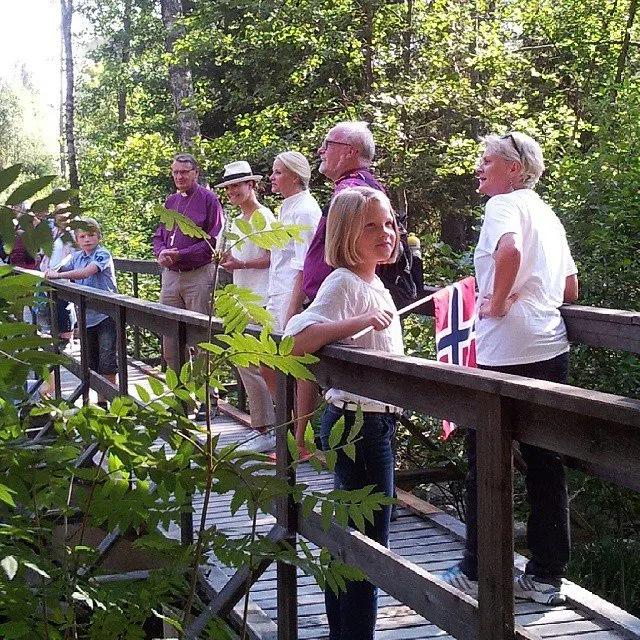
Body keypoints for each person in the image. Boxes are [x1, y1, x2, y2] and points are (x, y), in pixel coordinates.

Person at [440, 132, 579, 606]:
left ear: (515, 169)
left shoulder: (504, 205)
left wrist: (495, 302)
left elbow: (510, 253)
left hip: (506, 353)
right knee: (546, 462)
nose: (478, 167)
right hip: (550, 345)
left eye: (487, 160)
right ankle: (545, 577)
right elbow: (571, 288)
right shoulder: (547, 213)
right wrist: (524, 295)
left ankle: (479, 569)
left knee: (486, 458)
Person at [285, 186, 403, 640]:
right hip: (359, 425)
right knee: (368, 546)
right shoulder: (343, 283)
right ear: (344, 234)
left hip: (373, 423)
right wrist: (357, 323)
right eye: (371, 225)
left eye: (389, 223)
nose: (385, 233)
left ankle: (344, 633)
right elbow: (296, 343)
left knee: (353, 539)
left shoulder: (373, 283)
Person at [152, 153, 224, 420]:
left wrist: (183, 254)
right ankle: (180, 399)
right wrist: (161, 252)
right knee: (170, 341)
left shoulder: (208, 199)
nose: (179, 177)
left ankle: (209, 400)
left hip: (198, 274)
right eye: (175, 172)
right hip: (171, 276)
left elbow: (213, 240)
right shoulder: (170, 201)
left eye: (184, 172)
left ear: (195, 173)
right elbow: (159, 235)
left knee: (202, 339)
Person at [259, 151, 321, 458]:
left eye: (278, 172)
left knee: (296, 365)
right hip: (277, 293)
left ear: (295, 176)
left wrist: (293, 309)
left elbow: (304, 266)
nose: (272, 177)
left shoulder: (306, 211)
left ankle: (300, 441)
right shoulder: (286, 207)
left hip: (292, 297)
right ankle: (287, 429)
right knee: (266, 361)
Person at [217, 161, 277, 452]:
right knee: (244, 363)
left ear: (251, 185)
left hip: (261, 298)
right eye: (228, 188)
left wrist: (241, 263)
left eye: (237, 186)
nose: (231, 192)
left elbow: (272, 257)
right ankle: (264, 427)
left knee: (260, 364)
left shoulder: (263, 217)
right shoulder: (233, 220)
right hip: (239, 298)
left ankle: (271, 429)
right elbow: (222, 256)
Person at [45, 217, 119, 407]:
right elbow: (59, 267)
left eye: (91, 235)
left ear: (99, 237)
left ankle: (112, 402)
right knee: (91, 361)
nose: (87, 240)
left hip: (106, 315)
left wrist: (59, 275)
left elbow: (87, 272)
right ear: (77, 240)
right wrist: (53, 271)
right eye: (82, 236)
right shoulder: (77, 257)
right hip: (86, 317)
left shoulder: (102, 254)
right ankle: (97, 401)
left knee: (107, 359)